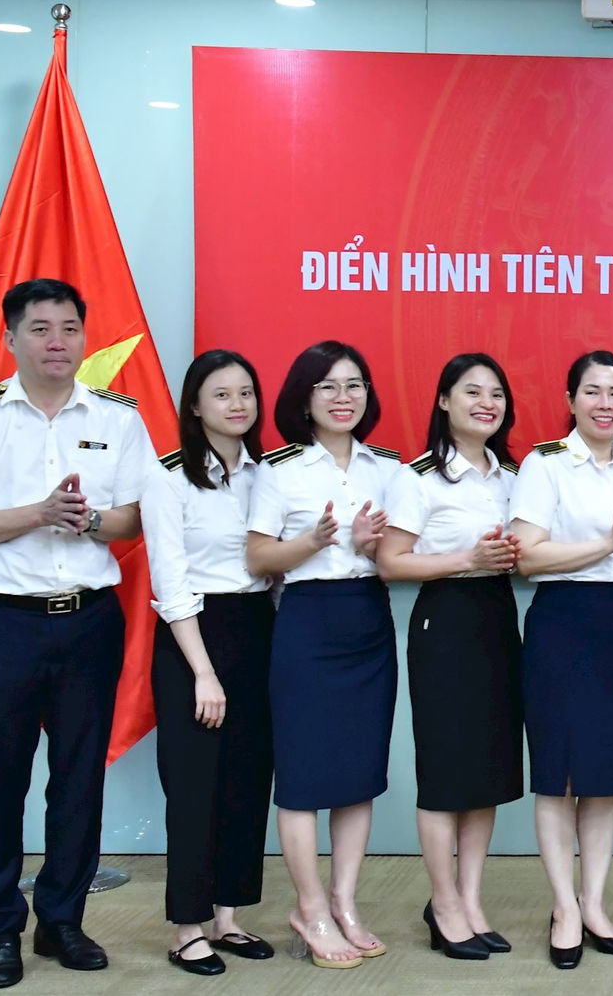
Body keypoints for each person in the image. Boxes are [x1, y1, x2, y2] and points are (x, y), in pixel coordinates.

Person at [0, 278, 154, 989]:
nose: (58, 342)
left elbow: (132, 518)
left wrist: (88, 519)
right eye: (41, 329)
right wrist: (39, 513)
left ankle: (62, 920)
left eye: (70, 328)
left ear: (85, 337)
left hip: (88, 622)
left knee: (79, 780)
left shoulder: (117, 416)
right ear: (10, 338)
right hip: (2, 624)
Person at [244, 340, 403, 970]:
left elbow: (396, 556)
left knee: (359, 772)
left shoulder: (386, 467)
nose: (344, 397)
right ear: (304, 398)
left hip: (367, 620)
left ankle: (344, 902)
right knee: (304, 776)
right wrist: (314, 541)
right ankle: (309, 908)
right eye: (329, 386)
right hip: (307, 623)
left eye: (354, 384)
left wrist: (367, 546)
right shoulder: (279, 469)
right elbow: (259, 557)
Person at [508, 351, 613, 969]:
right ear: (570, 400)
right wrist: (606, 543)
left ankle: (594, 904)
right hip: (562, 623)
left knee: (603, 774)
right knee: (559, 775)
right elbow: (526, 556)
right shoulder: (544, 465)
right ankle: (563, 907)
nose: (605, 404)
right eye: (592, 392)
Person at [374, 354, 524, 961]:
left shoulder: (512, 476)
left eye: (496, 394)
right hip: (445, 619)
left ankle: (471, 899)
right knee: (445, 770)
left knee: (486, 767)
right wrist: (468, 559)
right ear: (443, 401)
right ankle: (442, 903)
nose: (486, 404)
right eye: (472, 392)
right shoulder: (419, 478)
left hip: (497, 619)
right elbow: (391, 562)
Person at [142, 350, 277, 975]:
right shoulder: (168, 477)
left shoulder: (267, 475)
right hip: (192, 634)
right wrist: (203, 671)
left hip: (257, 628)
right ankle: (187, 928)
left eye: (245, 392)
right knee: (194, 785)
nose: (237, 404)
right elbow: (169, 581)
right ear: (195, 406)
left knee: (247, 779)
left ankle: (228, 917)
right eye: (221, 394)